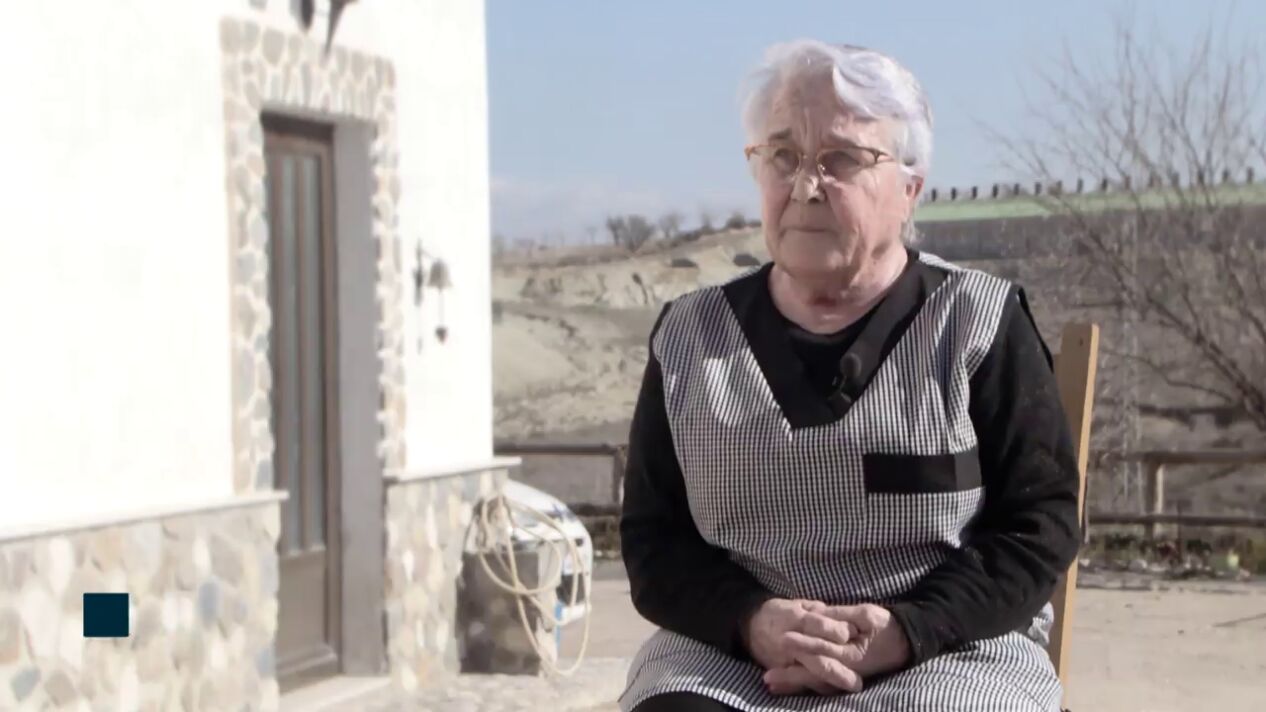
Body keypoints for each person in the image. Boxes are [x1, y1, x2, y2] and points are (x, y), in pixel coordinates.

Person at [618, 39, 1080, 712]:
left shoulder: (977, 324)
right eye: (783, 157)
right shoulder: (690, 338)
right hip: (733, 653)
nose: (805, 187)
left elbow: (1039, 525)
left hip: (946, 650)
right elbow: (653, 543)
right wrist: (753, 621)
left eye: (841, 159)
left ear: (910, 189)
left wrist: (907, 629)